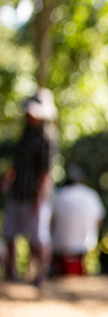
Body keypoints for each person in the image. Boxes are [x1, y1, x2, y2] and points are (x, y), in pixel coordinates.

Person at [1, 88, 58, 287]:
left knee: (38, 239)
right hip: (17, 193)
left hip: (34, 196)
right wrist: (8, 181)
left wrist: (39, 199)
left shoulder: (46, 139)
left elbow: (45, 173)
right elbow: (17, 165)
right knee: (9, 233)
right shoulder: (25, 135)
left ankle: (41, 275)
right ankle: (11, 272)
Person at [50, 164, 105, 276]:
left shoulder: (58, 196)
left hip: (59, 245)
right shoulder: (91, 195)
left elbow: (51, 222)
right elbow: (99, 221)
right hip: (85, 244)